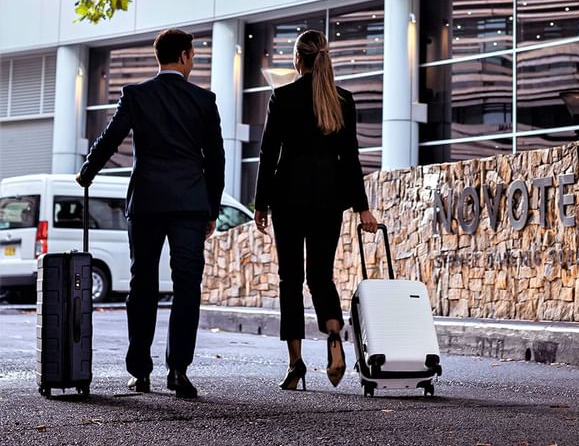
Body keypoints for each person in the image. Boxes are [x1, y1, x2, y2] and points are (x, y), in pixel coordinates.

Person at [77, 28, 225, 399]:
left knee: (142, 284)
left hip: (147, 202)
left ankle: (140, 371)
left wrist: (86, 172)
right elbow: (216, 160)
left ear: (160, 58)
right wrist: (212, 207)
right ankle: (178, 370)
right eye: (194, 54)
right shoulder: (204, 101)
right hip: (191, 204)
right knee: (187, 285)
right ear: (186, 56)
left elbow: (111, 138)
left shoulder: (137, 95)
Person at [254, 29, 378, 391]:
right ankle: (335, 337)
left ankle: (296, 364)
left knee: (290, 279)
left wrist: (261, 203)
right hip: (328, 201)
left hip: (288, 199)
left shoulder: (282, 97)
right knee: (321, 276)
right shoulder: (343, 99)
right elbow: (351, 158)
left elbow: (268, 154)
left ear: (298, 59)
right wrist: (363, 207)